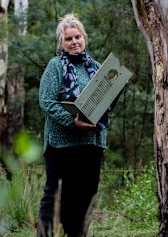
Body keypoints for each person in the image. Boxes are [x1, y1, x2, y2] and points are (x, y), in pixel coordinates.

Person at [37, 14, 109, 237]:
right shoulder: (55, 66)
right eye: (68, 39)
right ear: (61, 43)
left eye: (77, 37)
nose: (74, 42)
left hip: (91, 143)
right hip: (61, 144)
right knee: (55, 196)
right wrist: (72, 121)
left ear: (84, 38)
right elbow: (46, 101)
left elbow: (105, 102)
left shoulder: (97, 68)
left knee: (85, 196)